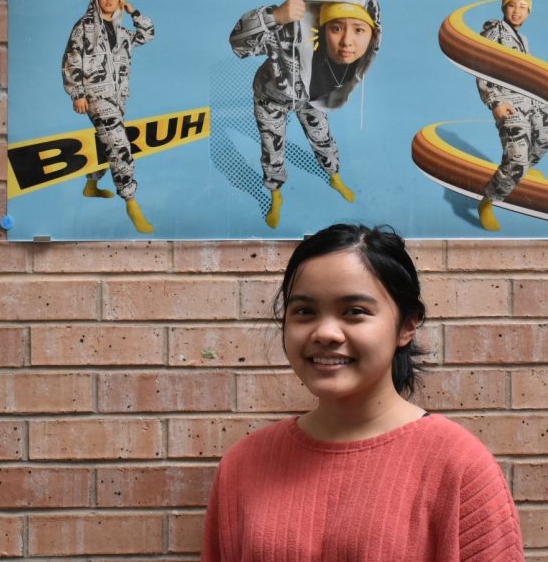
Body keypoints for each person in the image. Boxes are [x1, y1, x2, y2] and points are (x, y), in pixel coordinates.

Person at [202, 223, 524, 561]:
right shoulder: (244, 464)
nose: (325, 332)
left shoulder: (459, 466)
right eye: (304, 312)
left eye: (354, 312)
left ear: (407, 325)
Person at [230, 0, 381, 228]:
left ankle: (334, 176)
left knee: (322, 137)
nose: (346, 41)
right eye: (336, 27)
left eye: (358, 29)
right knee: (272, 148)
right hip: (271, 97)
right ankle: (275, 194)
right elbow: (238, 44)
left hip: (311, 99)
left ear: (372, 34)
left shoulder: (359, 56)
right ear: (323, 26)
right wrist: (274, 16)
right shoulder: (290, 29)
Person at [62, 0, 155, 234]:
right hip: (95, 96)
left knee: (106, 141)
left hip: (119, 97)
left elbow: (148, 33)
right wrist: (77, 94)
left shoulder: (123, 33)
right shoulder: (84, 26)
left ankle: (91, 185)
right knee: (118, 144)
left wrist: (134, 11)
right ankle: (131, 200)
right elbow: (72, 58)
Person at [476, 0, 548, 232]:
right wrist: (495, 103)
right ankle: (489, 201)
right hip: (509, 104)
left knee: (543, 141)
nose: (517, 11)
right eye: (512, 5)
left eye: (523, 7)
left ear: (529, 12)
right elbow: (480, 67)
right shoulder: (493, 31)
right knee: (517, 158)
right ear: (503, 7)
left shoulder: (523, 39)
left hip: (531, 101)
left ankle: (519, 174)